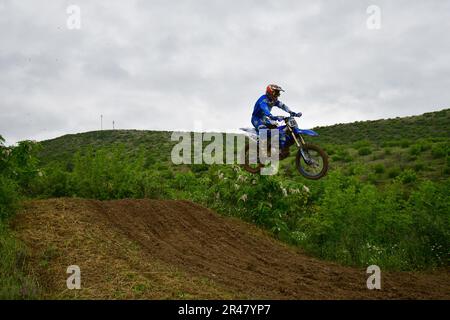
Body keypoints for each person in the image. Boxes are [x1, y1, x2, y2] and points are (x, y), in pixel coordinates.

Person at [251, 84, 302, 158]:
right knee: (264, 129)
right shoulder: (263, 100)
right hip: (257, 119)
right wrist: (271, 116)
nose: (278, 95)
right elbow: (264, 108)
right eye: (276, 92)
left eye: (278, 93)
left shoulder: (274, 100)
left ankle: (275, 149)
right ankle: (260, 150)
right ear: (271, 92)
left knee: (276, 130)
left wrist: (292, 112)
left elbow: (283, 106)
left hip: (265, 118)